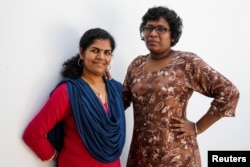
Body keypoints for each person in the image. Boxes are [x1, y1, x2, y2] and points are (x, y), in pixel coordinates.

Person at [123, 6, 240, 167]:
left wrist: (198, 127)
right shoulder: (137, 64)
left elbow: (229, 92)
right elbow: (121, 100)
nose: (153, 33)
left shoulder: (186, 62)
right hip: (141, 155)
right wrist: (99, 81)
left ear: (173, 35)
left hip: (176, 155)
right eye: (148, 28)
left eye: (161, 29)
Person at [22, 28, 126, 167]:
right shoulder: (68, 92)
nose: (101, 57)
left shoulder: (116, 89)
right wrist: (51, 154)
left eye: (107, 52)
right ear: (82, 53)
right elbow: (33, 134)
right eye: (95, 50)